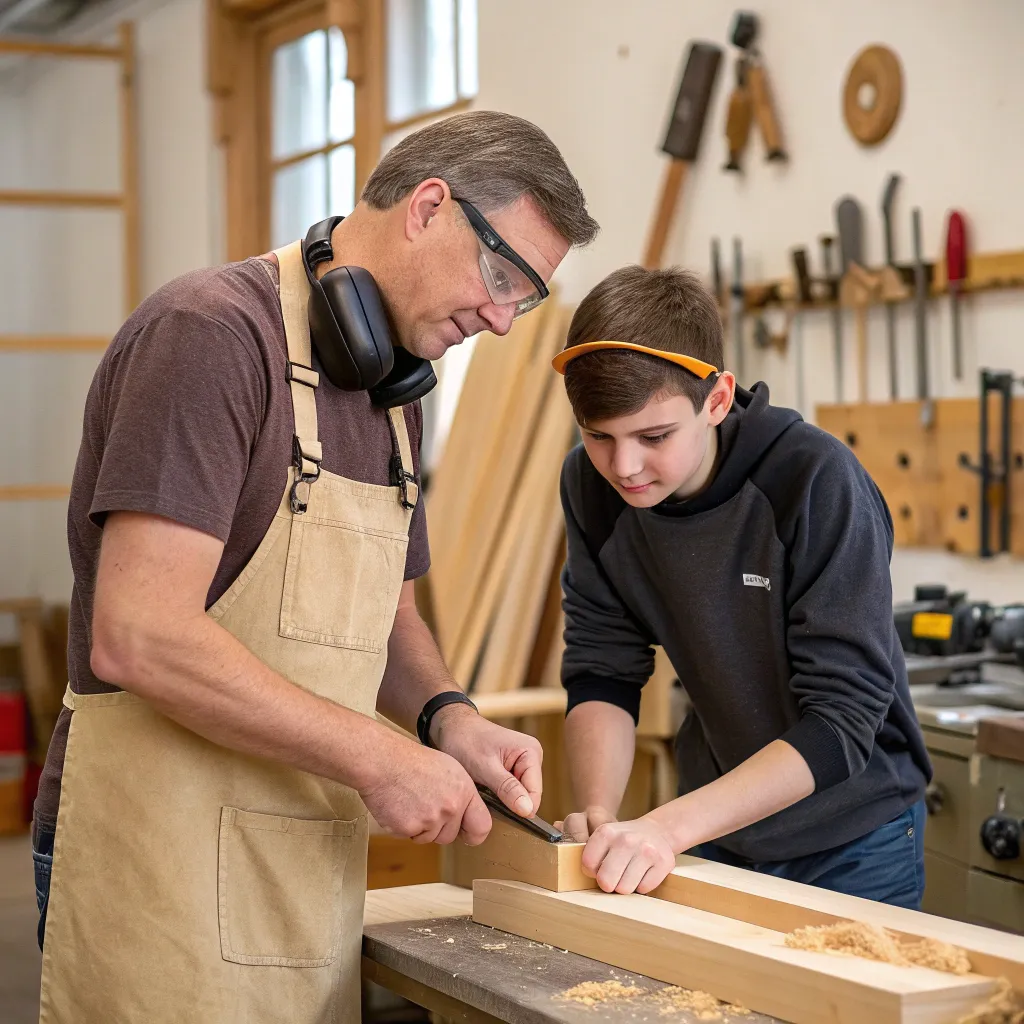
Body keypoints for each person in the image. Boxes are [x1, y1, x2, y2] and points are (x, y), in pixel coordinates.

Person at [32, 110, 599, 1024]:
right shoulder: (210, 337)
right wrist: (378, 754)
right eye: (503, 278)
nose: (501, 320)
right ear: (427, 208)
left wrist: (446, 716)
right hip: (157, 853)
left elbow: (383, 611)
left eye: (525, 300)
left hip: (297, 862)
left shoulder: (394, 388)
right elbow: (139, 635)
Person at [552, 265, 930, 908]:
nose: (625, 466)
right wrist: (598, 812)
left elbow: (842, 718)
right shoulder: (593, 488)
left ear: (717, 400)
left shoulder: (814, 480)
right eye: (598, 437)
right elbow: (603, 668)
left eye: (655, 436)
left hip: (855, 837)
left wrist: (667, 827)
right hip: (722, 828)